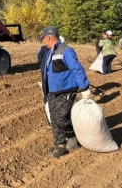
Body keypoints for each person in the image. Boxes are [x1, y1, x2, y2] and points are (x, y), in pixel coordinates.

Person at [38, 26, 91, 158]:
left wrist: (84, 88)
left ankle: (71, 136)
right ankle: (60, 145)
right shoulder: (50, 52)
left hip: (66, 89)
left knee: (61, 118)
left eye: (43, 38)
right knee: (53, 119)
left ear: (49, 37)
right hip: (51, 91)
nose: (43, 41)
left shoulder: (66, 51)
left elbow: (77, 69)